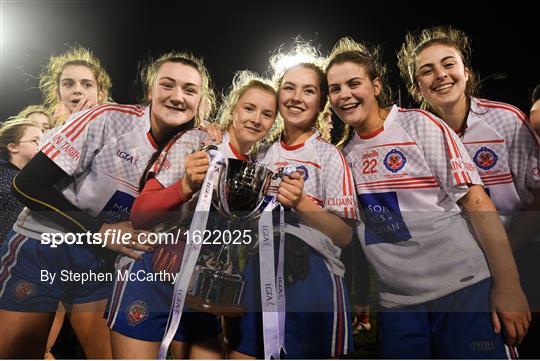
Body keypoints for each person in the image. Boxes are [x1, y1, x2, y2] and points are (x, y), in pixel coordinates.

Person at [326, 36, 530, 358]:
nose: (345, 95)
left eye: (354, 83)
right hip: (398, 305)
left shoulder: (418, 125)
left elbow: (477, 203)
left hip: (464, 290)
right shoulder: (340, 157)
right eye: (335, 89)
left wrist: (508, 285)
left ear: (376, 86)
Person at [0, 51, 208, 359]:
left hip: (98, 262)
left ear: (200, 100)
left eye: (189, 90)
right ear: (150, 90)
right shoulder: (109, 119)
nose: (177, 97)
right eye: (167, 85)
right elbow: (26, 185)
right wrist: (99, 229)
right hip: (42, 248)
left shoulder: (194, 143)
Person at [107, 70, 277, 359]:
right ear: (233, 109)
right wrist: (185, 186)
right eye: (249, 108)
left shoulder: (257, 169)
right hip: (152, 274)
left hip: (201, 289)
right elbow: (141, 214)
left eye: (267, 113)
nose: (256, 119)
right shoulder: (197, 142)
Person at [397, 25, 540, 358]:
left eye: (449, 64)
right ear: (417, 86)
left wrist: (502, 255)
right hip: (460, 272)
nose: (441, 75)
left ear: (466, 72)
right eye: (427, 70)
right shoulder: (412, 133)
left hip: (520, 257)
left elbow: (538, 197)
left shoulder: (505, 120)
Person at [229, 41, 356, 359]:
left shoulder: (330, 156)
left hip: (311, 276)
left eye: (309, 90)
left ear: (321, 103)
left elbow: (344, 235)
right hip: (258, 272)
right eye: (289, 88)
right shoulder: (259, 153)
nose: (297, 97)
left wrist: (302, 203)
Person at [39, 45, 112, 130]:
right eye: (68, 84)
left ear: (100, 94)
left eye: (87, 85)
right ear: (57, 93)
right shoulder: (48, 138)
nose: (77, 90)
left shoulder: (118, 127)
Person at [0, 118, 42, 244]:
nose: (43, 145)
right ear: (13, 147)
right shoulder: (4, 177)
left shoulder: (32, 178)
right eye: (35, 141)